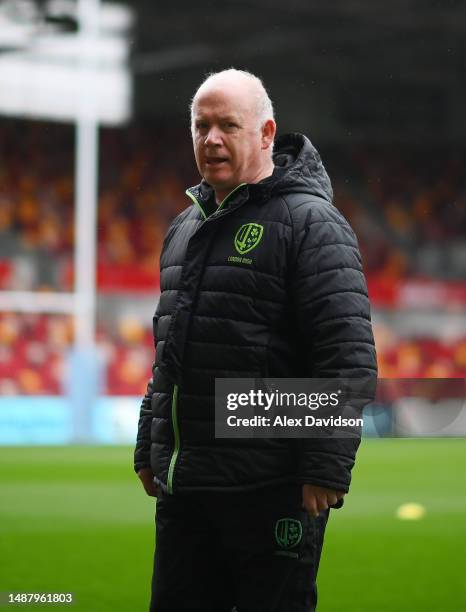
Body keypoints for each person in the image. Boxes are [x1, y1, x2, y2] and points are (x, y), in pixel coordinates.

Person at [134, 68, 377, 612]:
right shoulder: (183, 229)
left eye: (227, 125)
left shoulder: (313, 223)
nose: (211, 139)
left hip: (270, 492)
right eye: (201, 126)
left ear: (266, 134)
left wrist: (324, 467)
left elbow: (346, 357)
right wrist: (149, 446)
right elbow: (168, 354)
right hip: (187, 492)